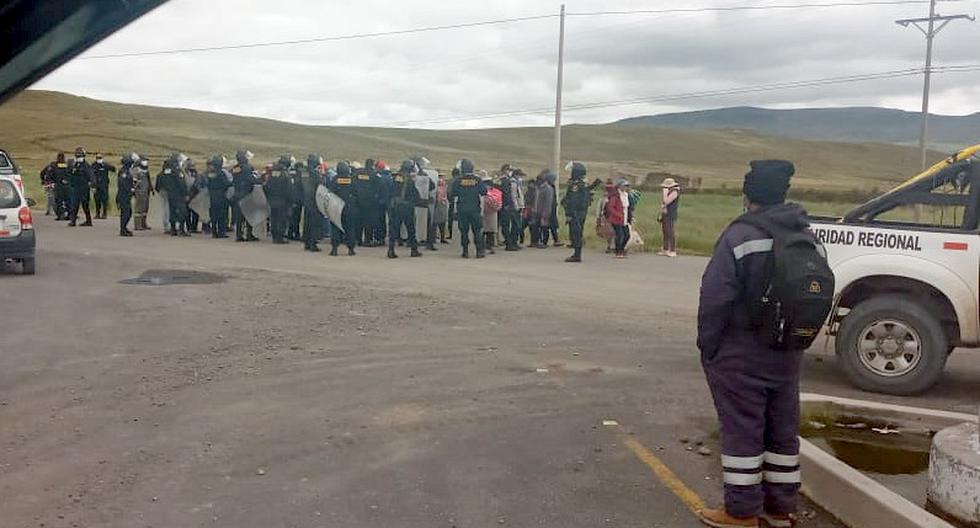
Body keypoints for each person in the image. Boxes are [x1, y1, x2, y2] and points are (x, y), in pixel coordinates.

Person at [697, 160, 807, 528]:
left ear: (748, 197)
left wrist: (708, 346)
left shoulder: (740, 236)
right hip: (788, 353)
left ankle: (741, 512)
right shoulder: (805, 235)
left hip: (742, 354)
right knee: (782, 430)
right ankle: (780, 509)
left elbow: (715, 297)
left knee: (743, 431)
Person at [386, 159, 423, 259]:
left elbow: (390, 191)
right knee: (411, 229)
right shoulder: (409, 180)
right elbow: (415, 195)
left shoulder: (395, 178)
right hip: (406, 207)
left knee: (393, 229)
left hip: (394, 206)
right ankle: (414, 250)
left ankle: (391, 249)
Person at [449, 159, 486, 258]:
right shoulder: (477, 180)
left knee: (464, 231)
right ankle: (479, 251)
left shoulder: (458, 180)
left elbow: (453, 193)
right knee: (477, 230)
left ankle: (465, 251)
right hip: (475, 209)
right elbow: (484, 192)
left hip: (462, 209)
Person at [561, 162, 596, 263]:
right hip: (581, 213)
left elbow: (573, 201)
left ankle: (577, 255)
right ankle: (577, 253)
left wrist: (568, 214)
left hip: (575, 213)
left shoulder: (576, 186)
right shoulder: (582, 184)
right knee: (577, 232)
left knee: (576, 233)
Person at [328, 160, 358, 256]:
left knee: (335, 228)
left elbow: (330, 193)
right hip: (349, 208)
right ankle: (351, 249)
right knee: (350, 228)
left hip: (336, 207)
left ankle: (334, 249)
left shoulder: (334, 180)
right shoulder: (352, 180)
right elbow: (356, 193)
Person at [156, 157, 191, 236]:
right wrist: (185, 193)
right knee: (182, 211)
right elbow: (181, 183)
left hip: (170, 195)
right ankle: (181, 230)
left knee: (172, 212)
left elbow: (158, 183)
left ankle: (173, 229)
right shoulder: (178, 172)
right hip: (179, 195)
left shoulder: (163, 173)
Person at [231, 150, 260, 242]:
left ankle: (239, 235)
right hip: (246, 193)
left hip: (237, 192)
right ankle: (249, 234)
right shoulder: (247, 167)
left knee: (239, 216)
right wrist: (261, 180)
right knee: (249, 215)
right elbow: (250, 179)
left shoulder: (236, 168)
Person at [265, 155, 293, 244]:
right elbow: (289, 189)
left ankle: (274, 236)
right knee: (282, 219)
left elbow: (267, 185)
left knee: (274, 218)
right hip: (282, 200)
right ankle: (280, 237)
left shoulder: (273, 172)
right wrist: (290, 201)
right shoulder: (285, 174)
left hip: (272, 198)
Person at [353, 158, 380, 247]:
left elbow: (353, 184)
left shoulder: (358, 173)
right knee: (368, 222)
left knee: (359, 221)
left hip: (358, 201)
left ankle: (358, 239)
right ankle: (368, 240)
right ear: (372, 165)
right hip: (370, 202)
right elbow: (378, 188)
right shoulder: (374, 174)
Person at [204, 155, 232, 238]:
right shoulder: (221, 173)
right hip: (221, 196)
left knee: (213, 215)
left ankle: (214, 232)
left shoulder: (210, 173)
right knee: (221, 215)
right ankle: (221, 232)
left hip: (212, 196)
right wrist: (232, 183)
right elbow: (225, 184)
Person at [301, 154, 324, 252]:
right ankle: (313, 244)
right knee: (314, 223)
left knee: (307, 222)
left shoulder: (304, 172)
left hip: (306, 200)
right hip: (314, 201)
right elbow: (320, 184)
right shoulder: (315, 173)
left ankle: (306, 242)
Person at [67, 147, 94, 227]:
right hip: (75, 188)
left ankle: (89, 221)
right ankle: (73, 221)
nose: (79, 158)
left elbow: (91, 175)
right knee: (74, 205)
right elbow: (70, 174)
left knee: (85, 205)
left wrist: (93, 184)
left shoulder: (86, 165)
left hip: (84, 188)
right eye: (77, 156)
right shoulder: (74, 165)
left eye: (80, 156)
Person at [498, 164, 522, 251]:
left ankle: (511, 242)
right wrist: (508, 204)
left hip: (507, 205)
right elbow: (506, 194)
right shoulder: (504, 180)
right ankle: (509, 243)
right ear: (504, 170)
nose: (510, 172)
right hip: (506, 205)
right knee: (506, 225)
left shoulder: (505, 180)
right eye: (509, 170)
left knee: (511, 224)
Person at [659, 177, 681, 257]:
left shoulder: (675, 192)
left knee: (670, 231)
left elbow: (666, 201)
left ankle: (672, 250)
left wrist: (665, 193)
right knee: (665, 231)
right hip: (665, 213)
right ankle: (665, 249)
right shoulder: (669, 191)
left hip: (670, 214)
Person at [532, 170, 554, 248]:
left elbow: (548, 202)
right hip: (537, 210)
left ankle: (544, 242)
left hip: (544, 211)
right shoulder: (538, 188)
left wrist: (546, 213)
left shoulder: (548, 188)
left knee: (544, 227)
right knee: (536, 227)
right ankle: (536, 241)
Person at [91, 153, 116, 219]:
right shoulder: (93, 165)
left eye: (100, 158)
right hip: (96, 185)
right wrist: (92, 186)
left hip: (104, 185)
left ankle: (104, 213)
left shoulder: (105, 165)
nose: (99, 159)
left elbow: (113, 169)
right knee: (97, 200)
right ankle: (97, 213)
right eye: (98, 158)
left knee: (104, 200)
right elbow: (91, 175)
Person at [116, 155, 136, 236]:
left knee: (128, 212)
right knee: (126, 212)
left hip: (126, 195)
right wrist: (131, 189)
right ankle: (123, 229)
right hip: (123, 195)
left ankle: (124, 228)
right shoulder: (124, 172)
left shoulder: (127, 171)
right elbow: (123, 183)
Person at [480, 171, 499, 254]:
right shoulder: (493, 192)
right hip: (491, 213)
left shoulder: (483, 192)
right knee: (489, 231)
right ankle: (490, 246)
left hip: (485, 212)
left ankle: (486, 246)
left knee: (485, 231)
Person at [132, 158, 153, 231]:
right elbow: (134, 182)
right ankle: (137, 225)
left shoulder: (146, 170)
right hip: (139, 192)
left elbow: (149, 180)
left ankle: (143, 223)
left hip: (146, 191)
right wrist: (134, 190)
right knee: (139, 208)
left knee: (145, 208)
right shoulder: (136, 170)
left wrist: (151, 189)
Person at [433, 173, 450, 244]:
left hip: (442, 204)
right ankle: (437, 237)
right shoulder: (438, 187)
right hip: (439, 204)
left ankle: (442, 237)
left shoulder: (444, 186)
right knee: (437, 222)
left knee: (442, 222)